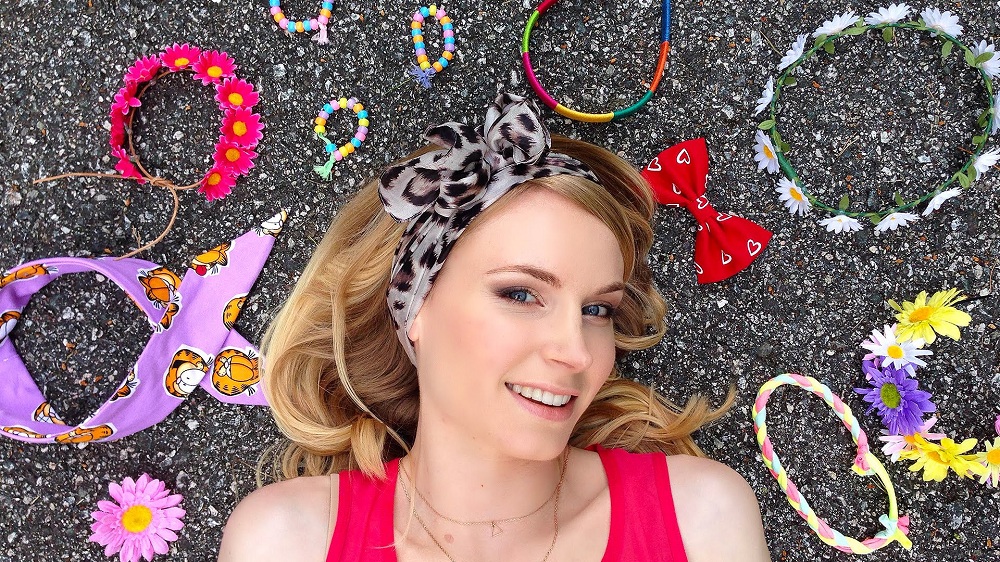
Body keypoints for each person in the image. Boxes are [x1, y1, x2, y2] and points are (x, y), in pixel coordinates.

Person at [218, 93, 770, 562]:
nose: (577, 351)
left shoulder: (702, 520)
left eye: (597, 310)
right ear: (414, 306)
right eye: (520, 294)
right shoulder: (286, 542)